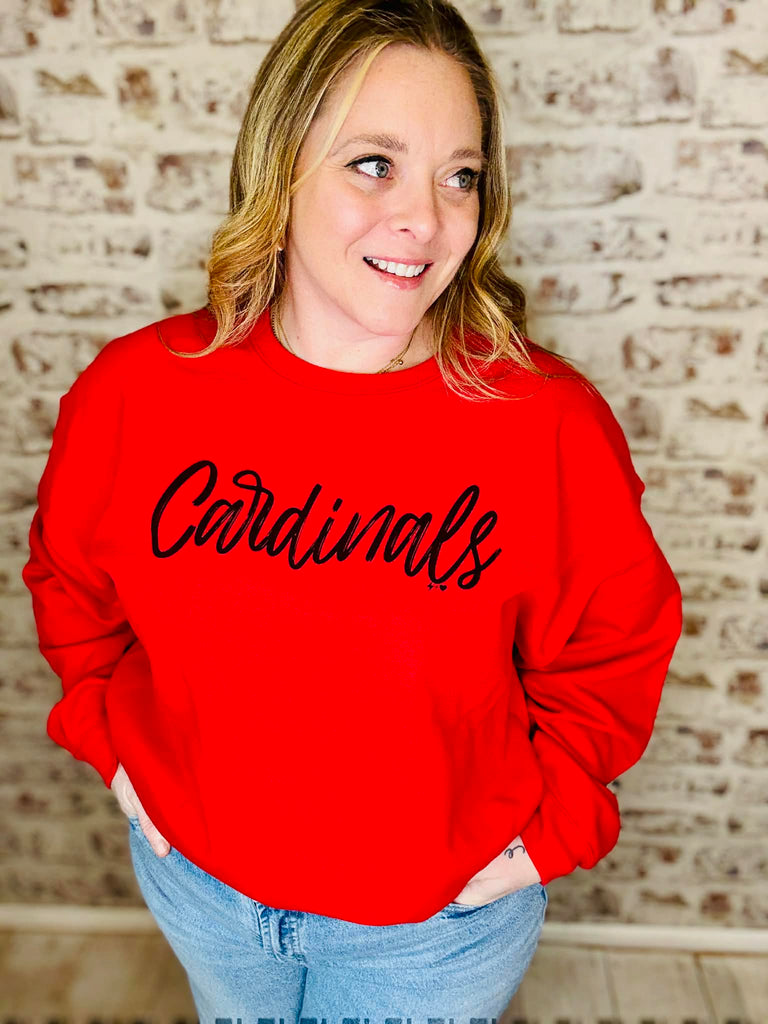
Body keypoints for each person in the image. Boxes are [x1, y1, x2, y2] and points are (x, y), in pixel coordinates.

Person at [21, 0, 684, 1020]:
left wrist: (543, 833)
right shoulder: (136, 393)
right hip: (201, 891)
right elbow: (70, 585)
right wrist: (114, 755)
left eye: (459, 175)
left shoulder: (545, 421)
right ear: (280, 166)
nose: (427, 218)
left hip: (435, 931)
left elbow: (614, 644)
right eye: (375, 164)